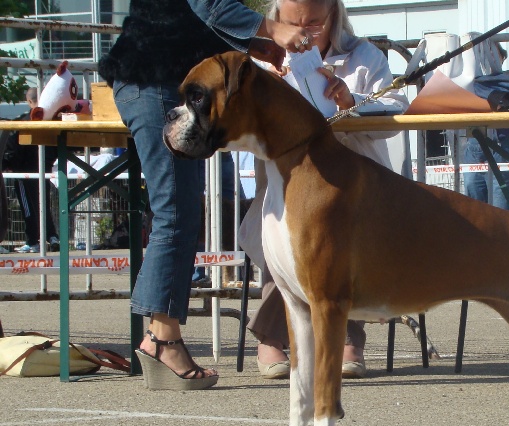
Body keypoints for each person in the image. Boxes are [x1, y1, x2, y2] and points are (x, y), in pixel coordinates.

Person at [98, 0, 312, 390]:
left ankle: (159, 334)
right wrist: (271, 28)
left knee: (178, 212)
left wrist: (250, 44)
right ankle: (162, 338)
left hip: (155, 76)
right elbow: (208, 4)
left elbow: (194, 15)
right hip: (154, 77)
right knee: (176, 213)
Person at [241, 0, 409, 380]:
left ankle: (349, 336)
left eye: (314, 23)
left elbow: (397, 110)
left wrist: (351, 103)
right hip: (288, 181)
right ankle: (272, 336)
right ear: (275, 19)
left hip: (351, 182)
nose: (304, 33)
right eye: (293, 23)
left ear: (335, 15)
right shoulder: (261, 58)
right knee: (283, 239)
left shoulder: (364, 55)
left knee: (344, 242)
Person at [3, 87, 59, 254]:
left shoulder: (23, 121)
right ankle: (52, 236)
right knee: (43, 204)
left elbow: (14, 148)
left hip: (24, 171)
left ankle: (32, 240)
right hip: (44, 169)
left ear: (28, 101)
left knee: (28, 206)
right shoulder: (50, 120)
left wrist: (10, 163)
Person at [462, 44, 509, 211]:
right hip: (475, 142)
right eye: (483, 53)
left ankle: (501, 235)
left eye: (492, 53)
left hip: (501, 143)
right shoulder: (471, 81)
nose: (487, 57)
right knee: (472, 189)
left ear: (502, 58)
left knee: (501, 196)